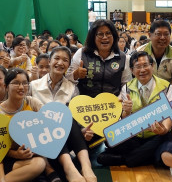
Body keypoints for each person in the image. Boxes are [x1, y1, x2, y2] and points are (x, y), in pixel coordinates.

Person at [29, 46, 96, 182]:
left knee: (66, 115)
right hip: (41, 142)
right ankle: (69, 168)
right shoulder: (33, 86)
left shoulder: (72, 88)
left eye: (65, 60)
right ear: (49, 61)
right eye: (57, 58)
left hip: (67, 140)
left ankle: (86, 166)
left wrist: (84, 130)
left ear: (69, 65)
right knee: (54, 117)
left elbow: (76, 120)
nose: (60, 63)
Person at [97, 51, 172, 167]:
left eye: (145, 65)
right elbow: (124, 121)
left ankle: (124, 160)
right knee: (110, 139)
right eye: (137, 67)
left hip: (156, 136)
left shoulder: (166, 87)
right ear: (132, 70)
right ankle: (146, 157)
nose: (142, 70)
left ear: (152, 66)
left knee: (166, 138)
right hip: (134, 137)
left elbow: (170, 115)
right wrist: (126, 112)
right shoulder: (127, 88)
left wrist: (164, 129)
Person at [66, 19, 131, 150]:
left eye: (108, 33)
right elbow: (67, 80)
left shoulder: (123, 58)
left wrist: (119, 101)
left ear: (114, 36)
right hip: (85, 109)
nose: (105, 37)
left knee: (120, 143)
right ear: (93, 37)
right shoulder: (82, 53)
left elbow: (126, 84)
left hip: (111, 110)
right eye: (100, 34)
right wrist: (76, 74)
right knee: (81, 143)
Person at [0, 68, 47, 182]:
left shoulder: (32, 102)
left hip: (29, 157)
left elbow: (50, 122)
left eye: (25, 83)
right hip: (6, 158)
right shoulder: (1, 113)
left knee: (40, 163)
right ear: (6, 87)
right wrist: (15, 154)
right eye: (16, 83)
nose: (21, 87)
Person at [136, 20, 172, 87]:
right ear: (149, 35)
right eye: (158, 34)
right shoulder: (138, 53)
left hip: (166, 94)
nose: (163, 38)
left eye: (166, 34)